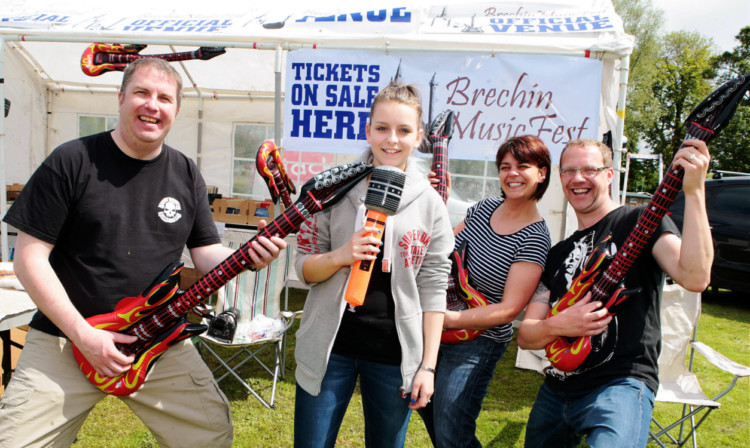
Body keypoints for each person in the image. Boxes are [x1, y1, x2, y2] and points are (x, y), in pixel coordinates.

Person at [0, 58, 287, 448]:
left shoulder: (185, 172)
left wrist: (251, 255)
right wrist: (84, 335)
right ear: (120, 99)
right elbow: (29, 257)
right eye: (142, 93)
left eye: (165, 98)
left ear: (176, 110)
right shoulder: (72, 161)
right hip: (66, 339)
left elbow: (206, 255)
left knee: (210, 435)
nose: (153, 105)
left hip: (158, 341)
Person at [517, 138, 713, 448]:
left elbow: (695, 276)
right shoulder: (556, 254)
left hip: (621, 384)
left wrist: (695, 191)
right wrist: (560, 326)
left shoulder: (641, 221)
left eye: (589, 169)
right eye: (569, 171)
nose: (578, 178)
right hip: (556, 389)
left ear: (609, 175)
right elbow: (527, 336)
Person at [293, 82, 455, 448]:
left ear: (419, 137)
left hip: (394, 356)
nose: (391, 140)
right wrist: (340, 255)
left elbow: (434, 291)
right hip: (329, 349)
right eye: (381, 128)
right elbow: (302, 269)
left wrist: (427, 367)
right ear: (367, 130)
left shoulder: (430, 204)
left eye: (403, 130)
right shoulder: (330, 188)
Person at [419, 136, 552, 448]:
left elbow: (508, 309)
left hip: (479, 340)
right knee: (424, 403)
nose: (512, 173)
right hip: (441, 324)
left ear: (542, 173)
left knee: (452, 425)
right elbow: (443, 251)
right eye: (505, 166)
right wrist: (434, 200)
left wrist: (446, 320)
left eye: (523, 166)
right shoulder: (482, 208)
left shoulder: (535, 237)